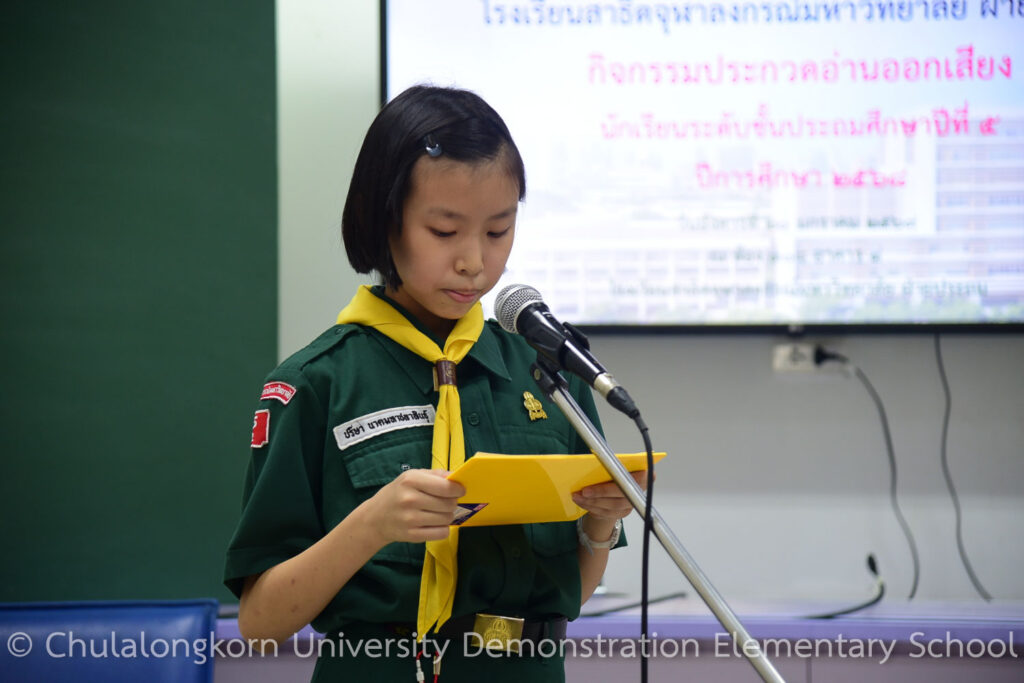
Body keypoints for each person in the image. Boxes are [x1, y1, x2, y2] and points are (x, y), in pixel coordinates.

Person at [223, 85, 643, 681]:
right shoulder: (316, 384)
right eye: (444, 232)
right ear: (384, 221)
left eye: (498, 231)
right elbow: (261, 623)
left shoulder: (546, 374)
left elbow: (569, 591)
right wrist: (372, 525)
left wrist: (602, 520)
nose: (474, 261)